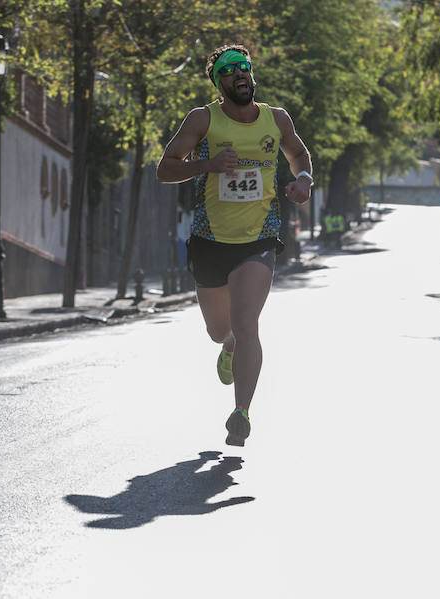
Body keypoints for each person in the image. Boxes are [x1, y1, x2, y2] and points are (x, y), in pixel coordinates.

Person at [156, 44, 312, 446]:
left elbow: (298, 154)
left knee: (247, 324)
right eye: (229, 70)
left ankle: (241, 412)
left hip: (258, 238)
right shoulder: (203, 119)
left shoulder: (276, 119)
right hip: (209, 239)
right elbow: (165, 168)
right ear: (219, 82)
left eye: (244, 67)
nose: (239, 73)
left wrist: (304, 181)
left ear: (251, 76)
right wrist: (206, 165)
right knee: (219, 330)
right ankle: (226, 346)